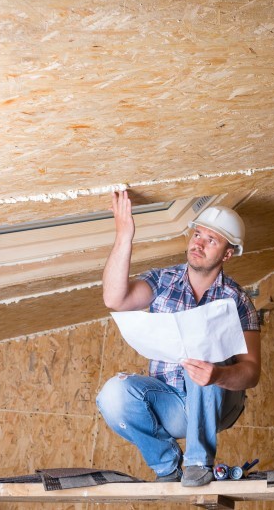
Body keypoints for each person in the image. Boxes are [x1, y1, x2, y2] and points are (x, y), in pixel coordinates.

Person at [96, 191, 261, 487]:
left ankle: (199, 463)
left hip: (219, 403)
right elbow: (114, 298)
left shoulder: (237, 301)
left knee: (205, 345)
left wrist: (219, 375)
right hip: (171, 403)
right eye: (197, 234)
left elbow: (251, 371)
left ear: (227, 253)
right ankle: (167, 465)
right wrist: (124, 235)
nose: (198, 243)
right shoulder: (163, 281)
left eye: (211, 240)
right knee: (113, 394)